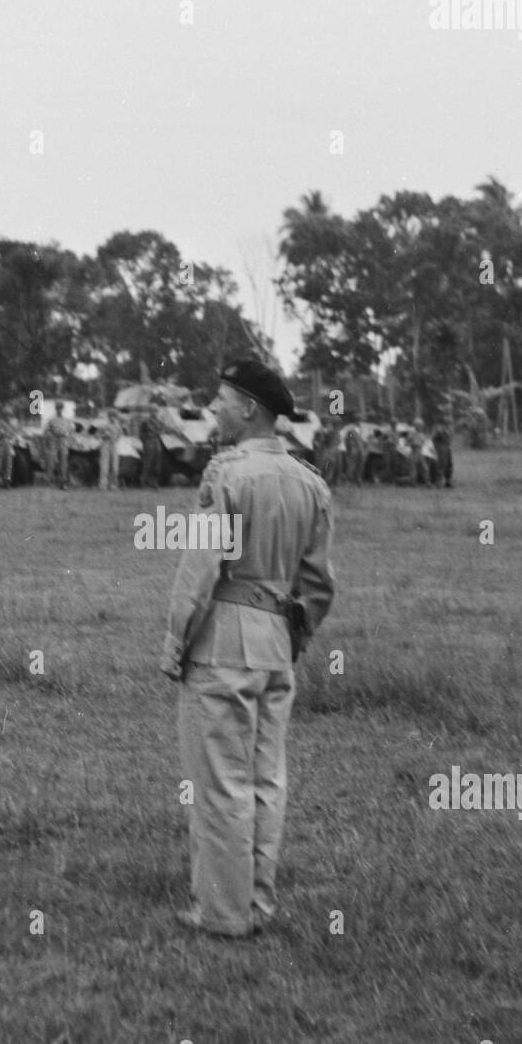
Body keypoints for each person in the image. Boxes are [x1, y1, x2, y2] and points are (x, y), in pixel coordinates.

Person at [160, 358, 335, 939]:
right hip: (277, 644)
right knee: (265, 780)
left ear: (250, 410)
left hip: (223, 639)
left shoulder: (226, 474)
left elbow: (200, 568)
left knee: (220, 783)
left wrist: (175, 641)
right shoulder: (311, 482)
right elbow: (317, 587)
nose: (214, 409)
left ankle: (223, 913)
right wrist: (292, 636)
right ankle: (256, 904)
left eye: (223, 400)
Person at [45, 400, 73, 489]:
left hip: (63, 442)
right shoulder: (51, 419)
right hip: (54, 441)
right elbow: (46, 431)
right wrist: (50, 436)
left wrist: (67, 434)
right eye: (58, 408)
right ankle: (49, 481)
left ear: (62, 409)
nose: (59, 409)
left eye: (61, 408)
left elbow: (70, 431)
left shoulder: (67, 420)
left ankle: (63, 482)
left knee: (63, 463)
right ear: (56, 409)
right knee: (51, 461)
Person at [98, 409, 122, 490]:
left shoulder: (118, 426)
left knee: (114, 466)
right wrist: (104, 436)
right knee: (104, 465)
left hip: (114, 445)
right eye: (110, 416)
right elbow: (98, 435)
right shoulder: (104, 426)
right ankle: (103, 484)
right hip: (106, 445)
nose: (112, 418)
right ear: (108, 417)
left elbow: (119, 435)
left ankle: (113, 485)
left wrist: (115, 440)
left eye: (114, 416)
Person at [139, 410, 163, 488]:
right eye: (153, 410)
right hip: (149, 441)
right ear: (150, 411)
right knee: (147, 462)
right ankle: (143, 481)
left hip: (157, 441)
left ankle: (154, 481)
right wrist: (144, 440)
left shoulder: (159, 421)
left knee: (157, 463)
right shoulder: (145, 421)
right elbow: (141, 432)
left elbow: (162, 429)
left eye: (156, 411)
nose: (155, 412)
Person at [432, 416, 453, 487]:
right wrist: (437, 448)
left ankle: (448, 480)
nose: (449, 424)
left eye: (450, 423)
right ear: (444, 423)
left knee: (449, 464)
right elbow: (434, 440)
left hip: (447, 448)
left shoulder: (449, 430)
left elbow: (449, 440)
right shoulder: (439, 430)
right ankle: (438, 481)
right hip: (441, 449)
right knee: (441, 465)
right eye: (448, 422)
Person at [344, 420, 364, 485]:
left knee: (360, 465)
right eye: (358, 420)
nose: (359, 422)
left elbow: (360, 440)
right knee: (351, 465)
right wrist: (351, 448)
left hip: (360, 450)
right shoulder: (351, 431)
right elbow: (349, 439)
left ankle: (357, 479)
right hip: (354, 449)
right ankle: (348, 479)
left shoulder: (360, 430)